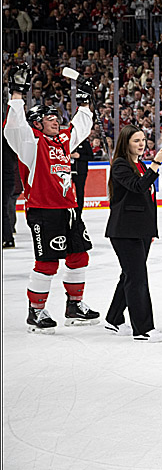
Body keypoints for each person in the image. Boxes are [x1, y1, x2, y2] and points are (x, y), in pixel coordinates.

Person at [4, 64, 98, 332]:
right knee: (47, 262)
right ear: (36, 123)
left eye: (57, 116)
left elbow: (81, 125)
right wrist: (17, 93)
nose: (57, 120)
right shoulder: (30, 143)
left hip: (69, 209)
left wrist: (84, 102)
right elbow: (15, 126)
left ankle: (74, 305)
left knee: (79, 256)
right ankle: (36, 311)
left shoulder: (63, 141)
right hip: (43, 210)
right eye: (49, 118)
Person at [104, 125, 162, 341]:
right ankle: (142, 329)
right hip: (125, 231)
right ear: (126, 143)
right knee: (137, 278)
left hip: (141, 230)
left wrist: (150, 230)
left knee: (130, 275)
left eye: (143, 140)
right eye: (136, 140)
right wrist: (156, 164)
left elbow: (147, 197)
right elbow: (138, 187)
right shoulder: (121, 166)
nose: (141, 144)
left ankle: (113, 318)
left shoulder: (141, 164)